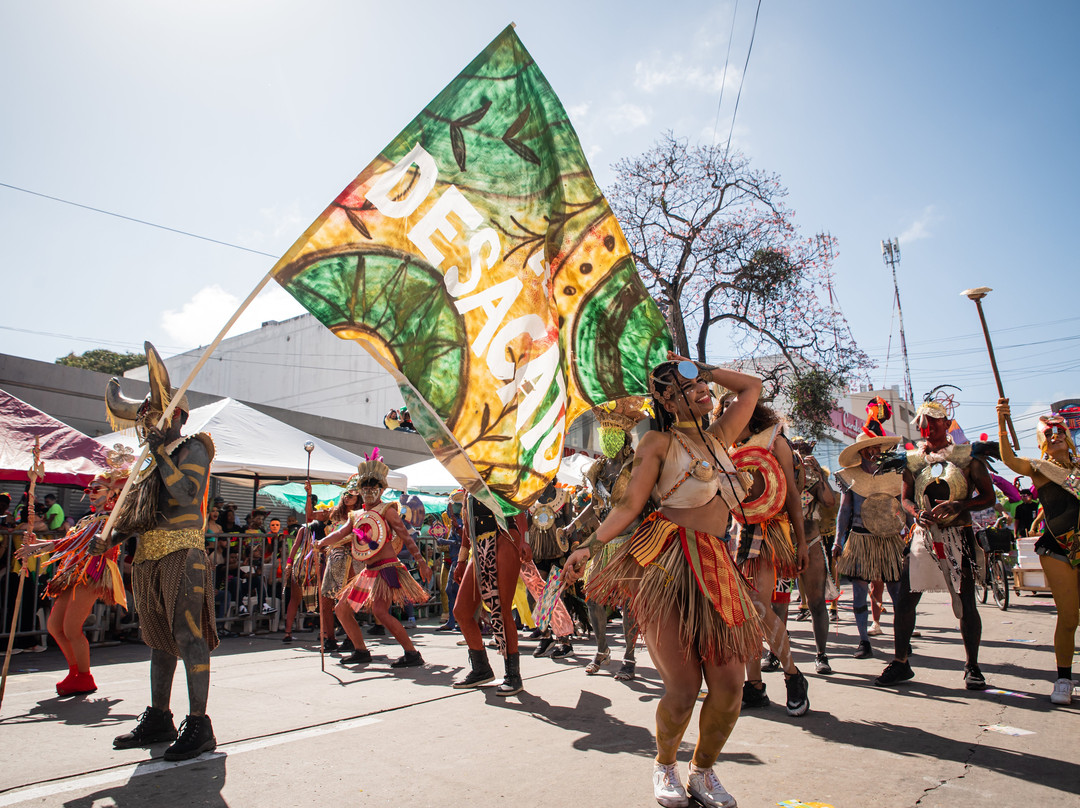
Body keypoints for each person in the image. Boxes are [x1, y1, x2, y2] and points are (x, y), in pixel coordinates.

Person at [565, 357, 764, 808]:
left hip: (714, 563)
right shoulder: (657, 441)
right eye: (682, 388)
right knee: (682, 687)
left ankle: (703, 771)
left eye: (699, 386)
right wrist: (589, 547)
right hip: (664, 561)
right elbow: (630, 506)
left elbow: (751, 389)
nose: (698, 392)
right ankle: (665, 763)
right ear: (666, 400)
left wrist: (701, 371)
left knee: (731, 686)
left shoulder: (719, 437)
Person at [96, 343, 219, 761]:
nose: (146, 424)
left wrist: (160, 454)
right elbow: (135, 515)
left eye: (153, 416)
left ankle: (199, 723)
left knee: (187, 635)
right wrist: (106, 541)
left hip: (183, 552)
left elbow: (186, 491)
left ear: (176, 418)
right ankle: (159, 717)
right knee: (159, 640)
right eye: (143, 419)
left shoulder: (193, 448)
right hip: (148, 556)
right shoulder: (148, 463)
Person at [875, 396, 994, 690]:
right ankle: (901, 662)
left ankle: (973, 667)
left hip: (959, 535)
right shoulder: (913, 460)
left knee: (965, 600)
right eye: (921, 423)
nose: (925, 427)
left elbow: (988, 497)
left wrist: (959, 505)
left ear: (945, 422)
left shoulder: (967, 457)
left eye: (932, 421)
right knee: (905, 599)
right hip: (923, 535)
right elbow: (905, 498)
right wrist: (918, 513)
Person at [17, 451, 132, 695]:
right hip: (73, 572)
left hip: (91, 573)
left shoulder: (109, 521)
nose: (90, 492)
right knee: (54, 626)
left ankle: (85, 675)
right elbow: (70, 540)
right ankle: (75, 672)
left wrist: (37, 547)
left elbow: (75, 543)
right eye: (90, 488)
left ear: (113, 494)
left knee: (71, 628)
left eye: (97, 488)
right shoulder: (89, 518)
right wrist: (38, 541)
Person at [724, 401, 811, 715]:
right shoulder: (728, 448)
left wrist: (801, 543)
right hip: (736, 535)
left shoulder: (777, 443)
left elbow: (792, 497)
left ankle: (793, 676)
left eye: (733, 415)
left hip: (770, 533)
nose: (728, 421)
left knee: (759, 609)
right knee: (745, 614)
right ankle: (755, 686)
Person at [997, 401, 1080, 705]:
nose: (1055, 435)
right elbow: (1010, 460)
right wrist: (1002, 422)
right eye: (1049, 433)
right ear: (1043, 441)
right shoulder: (1041, 470)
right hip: (1057, 548)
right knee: (1069, 616)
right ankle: (1063, 679)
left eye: (1060, 431)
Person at [319, 450, 432, 667]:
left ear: (381, 489)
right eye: (366, 486)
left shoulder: (387, 510)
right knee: (341, 609)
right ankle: (361, 650)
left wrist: (421, 562)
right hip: (368, 571)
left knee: (380, 611)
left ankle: (412, 654)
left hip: (387, 568)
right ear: (360, 490)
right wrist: (321, 542)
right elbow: (341, 533)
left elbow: (406, 536)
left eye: (374, 486)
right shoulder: (356, 515)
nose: (370, 490)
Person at [580, 398, 648, 680]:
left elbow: (648, 501)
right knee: (593, 597)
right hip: (603, 543)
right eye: (603, 435)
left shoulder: (637, 465)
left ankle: (629, 658)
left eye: (611, 435)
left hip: (631, 542)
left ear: (623, 438)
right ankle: (602, 650)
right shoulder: (597, 469)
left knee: (629, 603)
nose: (606, 439)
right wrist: (572, 524)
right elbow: (593, 504)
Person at [833, 432, 906, 659]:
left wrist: (911, 531)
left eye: (876, 449)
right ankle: (863, 640)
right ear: (861, 452)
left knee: (897, 593)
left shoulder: (895, 475)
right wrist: (837, 540)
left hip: (890, 538)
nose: (874, 452)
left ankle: (902, 640)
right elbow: (844, 510)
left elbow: (904, 504)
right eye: (868, 449)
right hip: (860, 538)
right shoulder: (850, 477)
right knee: (858, 593)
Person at [451, 495, 531, 694]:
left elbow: (518, 506)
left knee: (502, 611)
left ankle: (513, 675)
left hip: (504, 537)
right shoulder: (468, 484)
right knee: (461, 611)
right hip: (479, 545)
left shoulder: (498, 471)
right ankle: (481, 669)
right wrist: (461, 560)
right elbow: (468, 524)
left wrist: (524, 540)